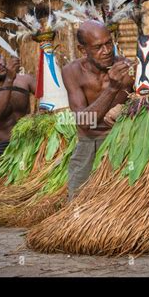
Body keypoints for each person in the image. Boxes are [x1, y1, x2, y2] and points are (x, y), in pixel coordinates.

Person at [62, 20, 134, 201]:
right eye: (98, 47)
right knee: (77, 202)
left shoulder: (129, 69)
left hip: (122, 142)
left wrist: (125, 109)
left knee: (123, 202)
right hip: (90, 142)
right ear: (82, 49)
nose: (107, 51)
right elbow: (85, 122)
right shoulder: (72, 72)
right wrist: (112, 89)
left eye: (109, 43)